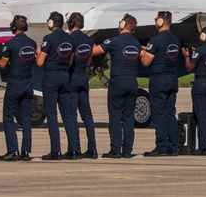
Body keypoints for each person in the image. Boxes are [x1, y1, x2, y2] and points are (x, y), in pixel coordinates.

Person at [0, 15, 37, 161]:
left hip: (15, 83)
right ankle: (26, 151)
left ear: (13, 27)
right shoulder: (32, 43)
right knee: (25, 118)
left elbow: (3, 65)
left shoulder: (10, 44)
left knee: (8, 117)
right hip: (28, 83)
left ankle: (13, 150)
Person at [91, 14, 141, 158]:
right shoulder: (136, 44)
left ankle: (115, 149)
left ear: (122, 25)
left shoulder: (113, 41)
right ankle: (127, 151)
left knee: (115, 116)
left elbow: (95, 52)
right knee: (128, 118)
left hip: (117, 81)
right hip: (132, 81)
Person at [37, 11, 80, 160]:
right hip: (64, 76)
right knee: (67, 113)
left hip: (51, 76)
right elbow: (70, 61)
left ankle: (56, 150)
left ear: (51, 23)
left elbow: (40, 62)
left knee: (52, 114)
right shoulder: (70, 39)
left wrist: (39, 51)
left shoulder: (48, 39)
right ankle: (74, 149)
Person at [141, 10, 181, 157]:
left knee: (159, 114)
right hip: (172, 78)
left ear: (160, 22)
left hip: (159, 79)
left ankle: (161, 146)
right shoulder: (176, 40)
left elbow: (146, 61)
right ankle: (173, 146)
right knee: (170, 113)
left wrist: (142, 54)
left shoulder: (155, 40)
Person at [184, 25, 206, 155]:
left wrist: (188, 56)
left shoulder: (199, 50)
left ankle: (204, 147)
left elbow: (189, 67)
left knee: (202, 115)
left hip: (201, 83)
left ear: (204, 35)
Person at [67, 12, 98, 159]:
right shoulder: (88, 39)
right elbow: (89, 62)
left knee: (72, 115)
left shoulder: (69, 39)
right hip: (83, 77)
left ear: (71, 23)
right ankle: (92, 148)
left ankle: (75, 148)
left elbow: (69, 61)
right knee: (87, 115)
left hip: (72, 77)